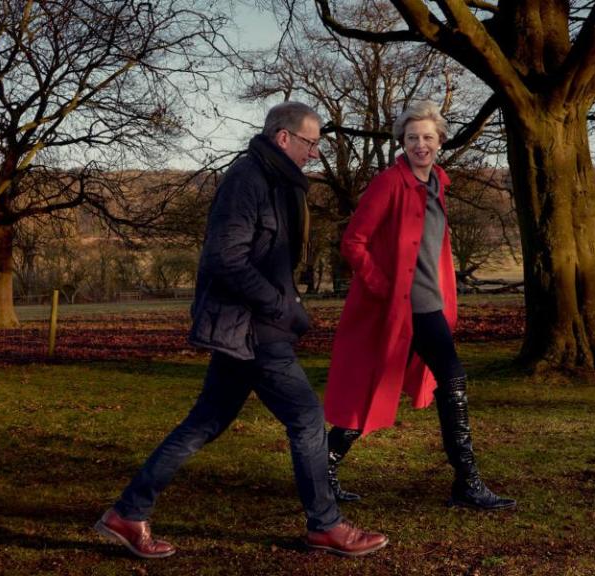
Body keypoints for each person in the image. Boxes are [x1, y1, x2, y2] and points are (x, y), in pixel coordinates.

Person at [94, 102, 388, 559]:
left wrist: (291, 304)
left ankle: (127, 514)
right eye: (310, 143)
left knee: (204, 423)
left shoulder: (279, 183)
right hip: (251, 329)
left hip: (256, 326)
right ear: (283, 138)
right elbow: (225, 259)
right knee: (307, 417)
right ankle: (325, 526)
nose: (315, 153)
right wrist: (279, 307)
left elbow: (270, 259)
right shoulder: (246, 181)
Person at [324, 101, 515, 510]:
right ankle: (467, 485)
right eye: (413, 138)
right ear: (403, 142)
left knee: (414, 384)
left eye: (428, 137)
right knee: (448, 381)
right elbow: (353, 243)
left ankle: (321, 470)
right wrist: (384, 287)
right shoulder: (389, 183)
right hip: (400, 308)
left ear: (440, 141)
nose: (420, 145)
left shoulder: (437, 184)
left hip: (429, 305)